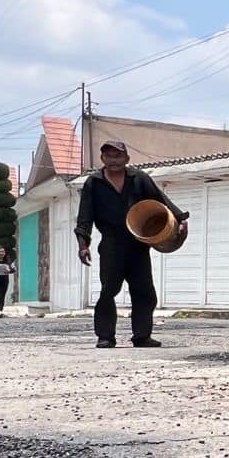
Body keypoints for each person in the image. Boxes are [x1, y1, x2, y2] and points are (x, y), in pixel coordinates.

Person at [75, 140, 188, 348]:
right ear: (103, 159)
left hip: (138, 243)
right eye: (109, 156)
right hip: (111, 244)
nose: (114, 160)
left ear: (126, 158)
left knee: (144, 291)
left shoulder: (139, 179)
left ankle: (142, 336)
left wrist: (180, 218)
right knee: (108, 291)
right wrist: (83, 245)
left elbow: (160, 199)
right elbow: (85, 216)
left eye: (118, 156)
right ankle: (105, 336)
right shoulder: (93, 182)